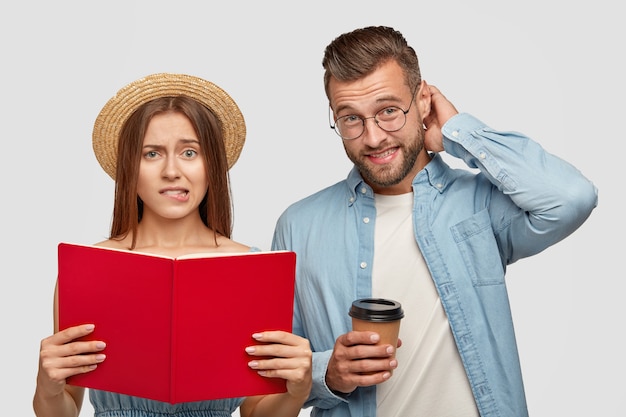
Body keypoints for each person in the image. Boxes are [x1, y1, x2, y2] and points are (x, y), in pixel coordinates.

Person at [271, 26, 598, 417]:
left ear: (423, 101)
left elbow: (571, 197)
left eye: (389, 111)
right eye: (350, 119)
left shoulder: (479, 203)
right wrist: (328, 372)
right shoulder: (298, 226)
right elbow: (270, 383)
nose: (373, 137)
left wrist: (460, 135)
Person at [34, 73, 312, 417]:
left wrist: (297, 391)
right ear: (130, 168)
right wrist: (46, 386)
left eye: (190, 152)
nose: (171, 171)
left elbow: (257, 413)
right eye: (152, 154)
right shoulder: (89, 268)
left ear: (212, 165)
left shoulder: (252, 268)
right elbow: (63, 411)